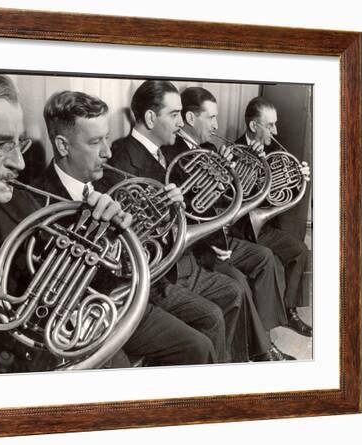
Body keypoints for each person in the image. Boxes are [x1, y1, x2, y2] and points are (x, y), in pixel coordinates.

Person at [0, 72, 137, 374]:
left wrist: (101, 233)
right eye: (0, 145)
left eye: (20, 144)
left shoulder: (26, 208)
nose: (19, 163)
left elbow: (76, 291)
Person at [35, 89, 222, 365]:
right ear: (63, 146)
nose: (107, 152)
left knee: (199, 346)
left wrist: (168, 212)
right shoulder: (38, 199)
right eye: (95, 142)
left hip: (127, 300)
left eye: (107, 138)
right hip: (84, 319)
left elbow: (141, 250)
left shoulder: (110, 180)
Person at [104, 80, 282, 362]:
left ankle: (233, 364)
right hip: (160, 272)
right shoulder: (122, 160)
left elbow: (196, 205)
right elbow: (134, 235)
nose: (179, 122)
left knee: (234, 291)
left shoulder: (162, 152)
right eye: (174, 115)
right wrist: (170, 209)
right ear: (151, 118)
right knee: (215, 311)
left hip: (183, 258)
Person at [161, 86, 295, 361]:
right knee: (237, 283)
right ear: (189, 118)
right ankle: (256, 352)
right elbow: (187, 210)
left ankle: (265, 338)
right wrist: (212, 240)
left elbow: (232, 198)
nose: (217, 125)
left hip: (222, 236)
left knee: (265, 257)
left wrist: (253, 163)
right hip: (200, 245)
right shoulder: (172, 153)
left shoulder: (211, 148)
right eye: (211, 118)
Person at [234, 96, 312, 337]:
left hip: (262, 228)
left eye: (275, 124)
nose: (276, 130)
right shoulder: (233, 151)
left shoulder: (275, 151)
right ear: (253, 126)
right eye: (270, 125)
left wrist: (300, 178)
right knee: (269, 259)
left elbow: (280, 196)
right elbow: (232, 198)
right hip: (240, 230)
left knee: (300, 251)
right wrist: (249, 163)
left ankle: (289, 311)